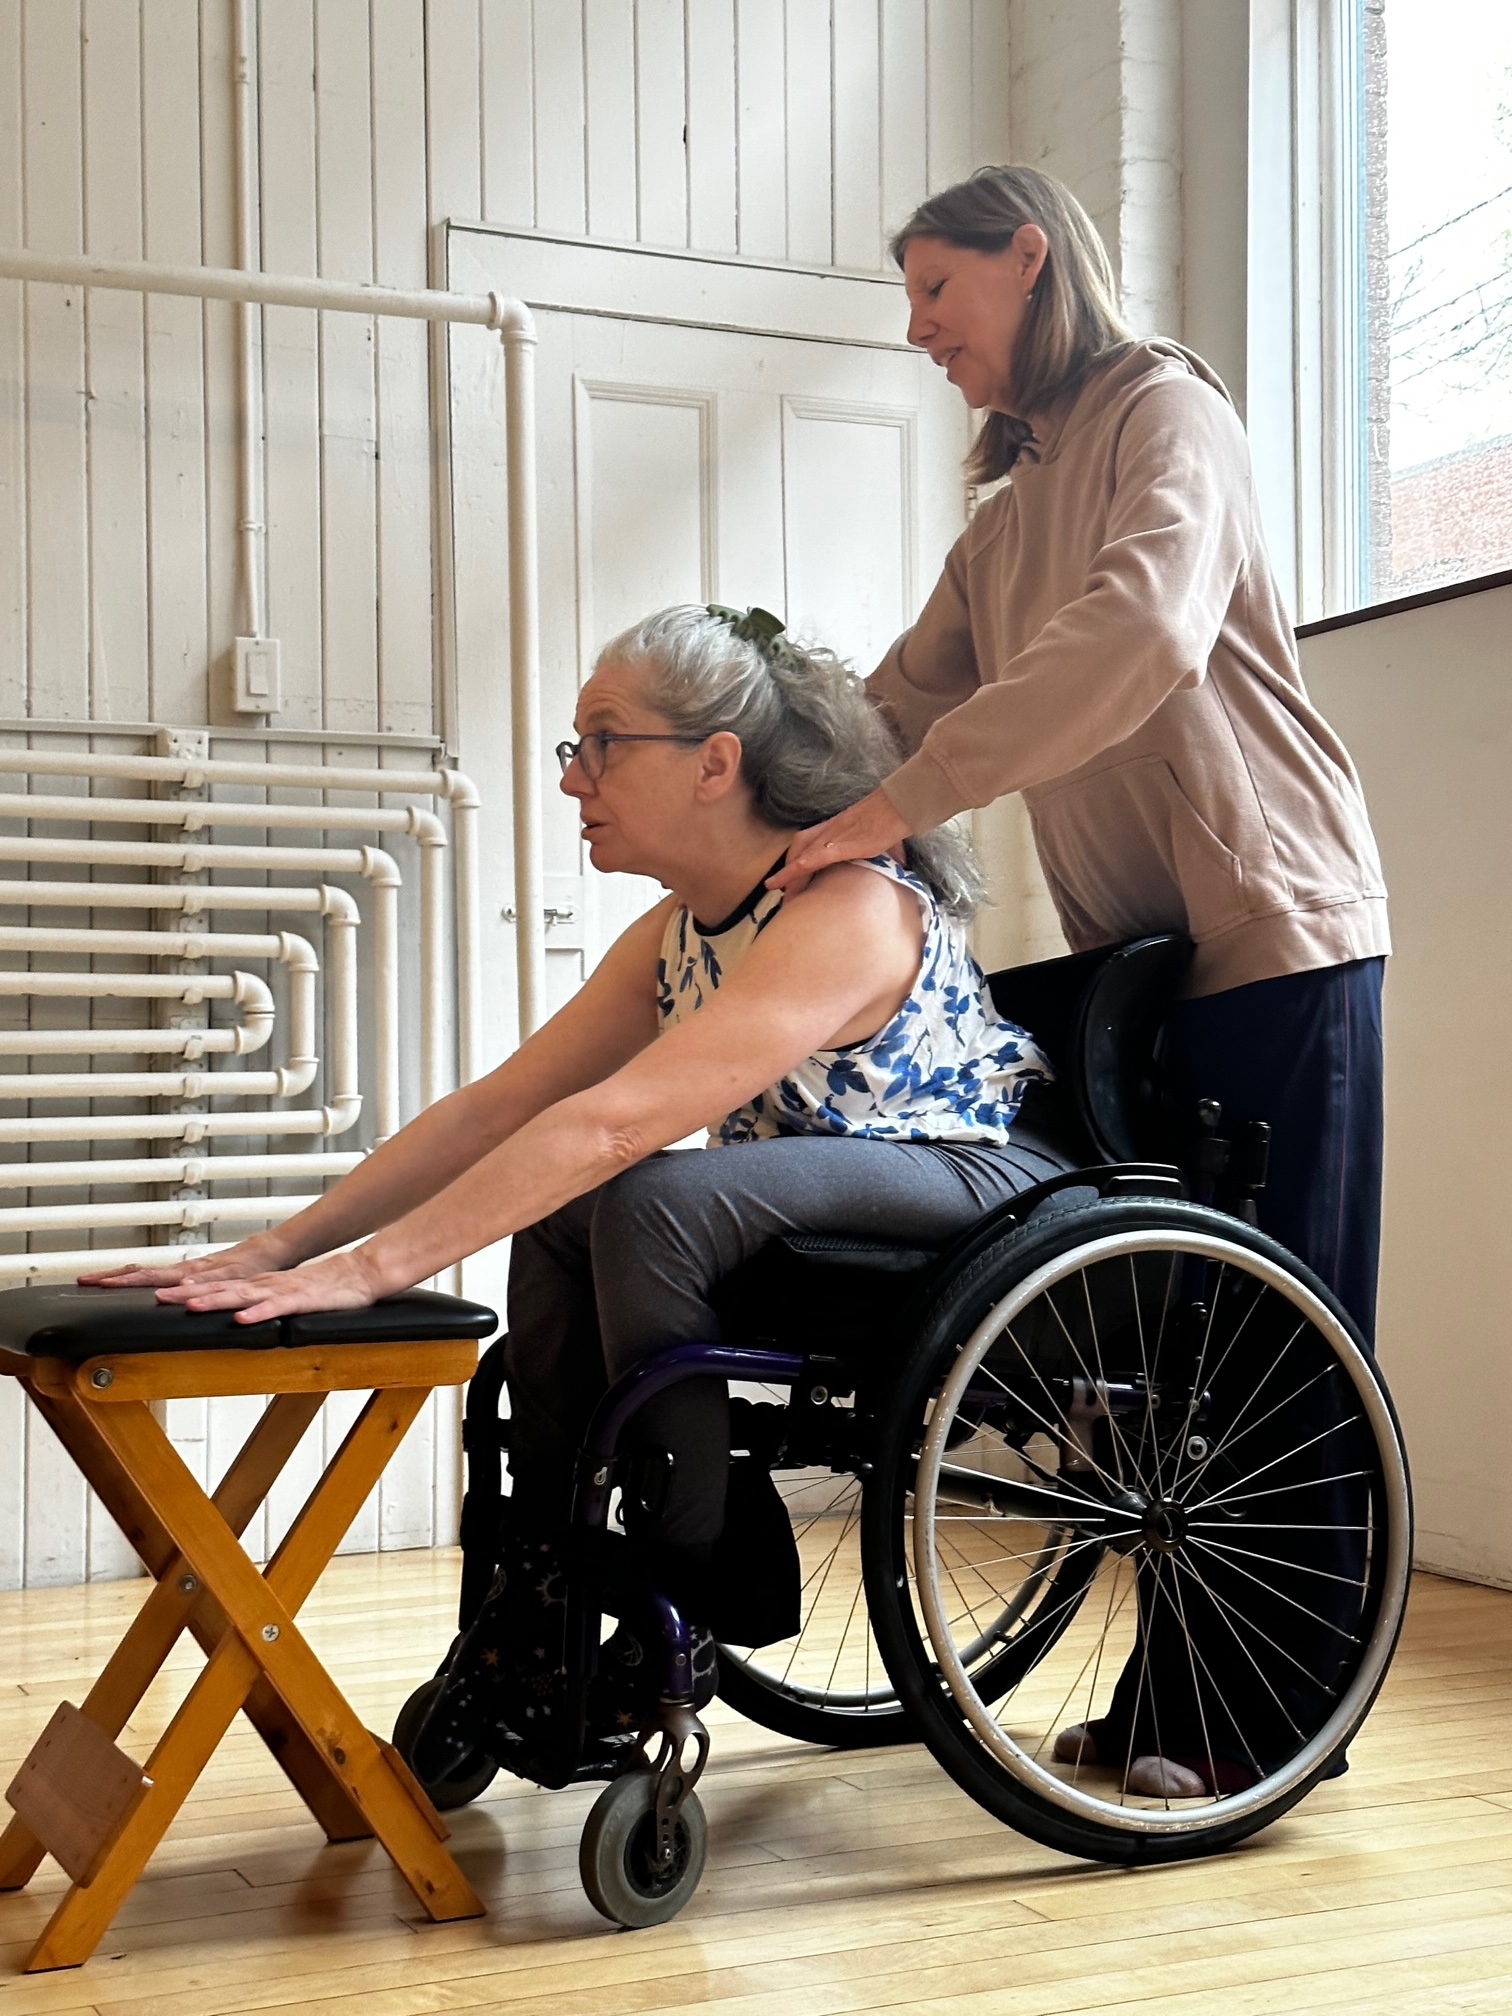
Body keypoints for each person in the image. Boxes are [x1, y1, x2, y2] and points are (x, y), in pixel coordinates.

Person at [81, 602, 1061, 1782]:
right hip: (809, 1212)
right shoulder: (680, 934)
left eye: (602, 742)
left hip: (970, 1187)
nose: (572, 779)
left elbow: (614, 1125)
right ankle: (541, 1596)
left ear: (715, 763)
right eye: (574, 747)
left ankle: (682, 1597)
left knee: (648, 1195)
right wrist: (281, 1250)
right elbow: (502, 1108)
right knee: (569, 1205)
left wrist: (376, 1270)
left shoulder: (849, 903)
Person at [767, 164, 1390, 1797]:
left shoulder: (1162, 411)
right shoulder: (1006, 519)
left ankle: (1261, 1729)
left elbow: (1142, 630)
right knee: (1181, 1350)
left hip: (1278, 928)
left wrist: (895, 809)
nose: (917, 332)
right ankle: (1180, 1705)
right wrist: (759, 794)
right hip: (1155, 963)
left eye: (934, 292)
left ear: (1027, 258)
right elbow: (896, 702)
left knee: (1276, 1352)